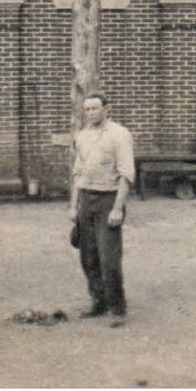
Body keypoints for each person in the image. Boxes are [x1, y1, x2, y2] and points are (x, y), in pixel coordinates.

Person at [69, 92, 135, 325]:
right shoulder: (82, 136)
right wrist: (73, 206)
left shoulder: (120, 135)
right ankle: (98, 301)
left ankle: (117, 308)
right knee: (88, 257)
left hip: (109, 198)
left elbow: (126, 174)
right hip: (87, 199)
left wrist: (118, 208)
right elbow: (78, 173)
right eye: (87, 109)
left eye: (95, 108)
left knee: (109, 258)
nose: (90, 113)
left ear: (106, 109)